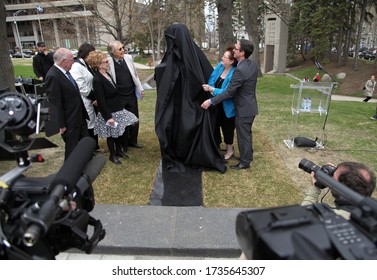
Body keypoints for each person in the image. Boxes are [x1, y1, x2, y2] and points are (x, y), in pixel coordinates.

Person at [154, 23, 226, 173]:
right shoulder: (188, 55)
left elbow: (203, 79)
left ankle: (186, 152)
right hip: (180, 103)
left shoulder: (188, 56)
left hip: (189, 104)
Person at [201, 39, 258, 170]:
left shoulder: (239, 70)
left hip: (244, 108)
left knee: (243, 135)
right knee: (246, 134)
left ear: (242, 53)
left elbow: (229, 93)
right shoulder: (252, 65)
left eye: (236, 49)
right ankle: (247, 156)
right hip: (250, 106)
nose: (234, 50)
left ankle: (244, 162)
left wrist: (210, 101)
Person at [86, 51, 138, 165]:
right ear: (98, 64)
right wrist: (108, 117)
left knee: (119, 132)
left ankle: (119, 151)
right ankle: (112, 155)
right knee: (111, 135)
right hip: (109, 113)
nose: (108, 62)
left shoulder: (107, 74)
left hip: (117, 110)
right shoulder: (97, 79)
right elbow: (101, 101)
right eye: (105, 61)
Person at [45, 48, 89, 161]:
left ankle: (83, 164)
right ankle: (70, 172)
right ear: (63, 61)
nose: (73, 62)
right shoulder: (53, 76)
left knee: (84, 143)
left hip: (79, 116)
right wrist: (60, 124)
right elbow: (54, 103)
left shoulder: (65, 73)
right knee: (72, 148)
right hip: (69, 121)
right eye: (71, 59)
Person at [301, 161, 376, 219]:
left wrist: (314, 188)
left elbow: (304, 215)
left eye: (333, 178)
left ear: (343, 189)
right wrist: (338, 171)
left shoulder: (337, 218)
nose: (329, 178)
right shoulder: (371, 210)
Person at [107, 40, 144, 151]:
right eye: (120, 49)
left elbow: (135, 75)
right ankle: (123, 144)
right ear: (112, 52)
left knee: (134, 119)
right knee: (122, 121)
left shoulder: (128, 58)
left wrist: (140, 88)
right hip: (119, 97)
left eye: (123, 48)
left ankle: (133, 141)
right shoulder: (108, 62)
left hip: (131, 94)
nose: (123, 50)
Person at [202, 46, 237, 160]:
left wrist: (211, 90)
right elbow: (212, 79)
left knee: (228, 127)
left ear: (231, 61)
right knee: (215, 125)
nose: (222, 58)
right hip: (216, 104)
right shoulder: (220, 67)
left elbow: (227, 92)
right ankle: (216, 145)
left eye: (225, 57)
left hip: (227, 105)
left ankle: (229, 150)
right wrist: (211, 88)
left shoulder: (234, 73)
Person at [70, 43, 100, 151]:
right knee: (90, 123)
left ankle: (95, 146)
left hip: (91, 99)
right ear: (87, 54)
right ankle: (90, 148)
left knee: (93, 122)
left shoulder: (86, 65)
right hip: (86, 100)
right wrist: (93, 98)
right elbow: (81, 87)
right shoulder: (76, 66)